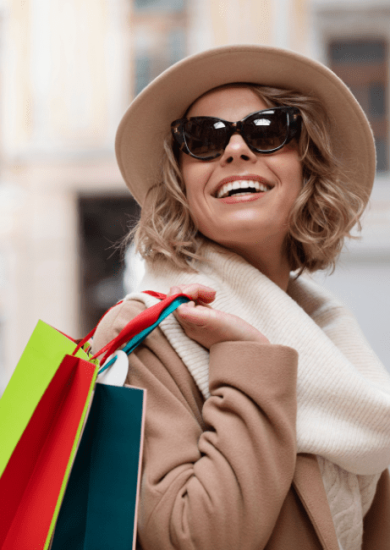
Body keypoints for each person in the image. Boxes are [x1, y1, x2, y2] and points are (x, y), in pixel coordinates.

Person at [92, 45, 390, 550]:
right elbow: (190, 538)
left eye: (268, 131)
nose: (235, 150)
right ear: (181, 184)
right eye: (204, 139)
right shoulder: (144, 331)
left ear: (307, 167)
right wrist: (249, 362)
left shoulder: (337, 345)